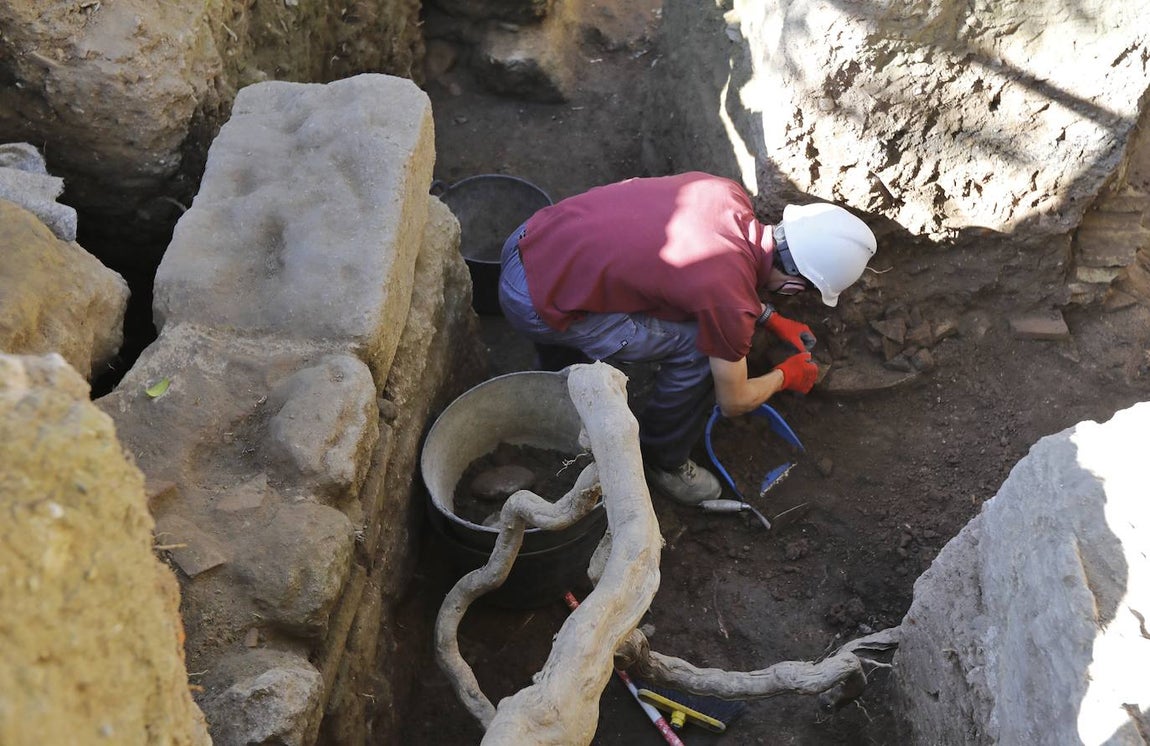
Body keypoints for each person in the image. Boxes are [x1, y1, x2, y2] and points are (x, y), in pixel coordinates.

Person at [497, 172, 877, 505]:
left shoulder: (725, 191)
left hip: (529, 240)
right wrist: (787, 375)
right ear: (795, 286)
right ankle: (664, 460)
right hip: (531, 303)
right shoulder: (728, 302)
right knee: (700, 349)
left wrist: (769, 316)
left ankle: (555, 364)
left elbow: (694, 268)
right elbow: (734, 401)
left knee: (663, 298)